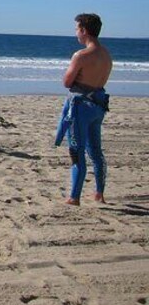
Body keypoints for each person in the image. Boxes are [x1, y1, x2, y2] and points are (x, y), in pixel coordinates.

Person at [55, 13, 112, 206]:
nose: (76, 33)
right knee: (96, 150)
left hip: (80, 107)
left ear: (84, 30)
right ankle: (99, 193)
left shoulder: (81, 55)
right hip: (98, 105)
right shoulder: (106, 55)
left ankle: (74, 197)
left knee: (76, 150)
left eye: (77, 29)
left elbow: (66, 82)